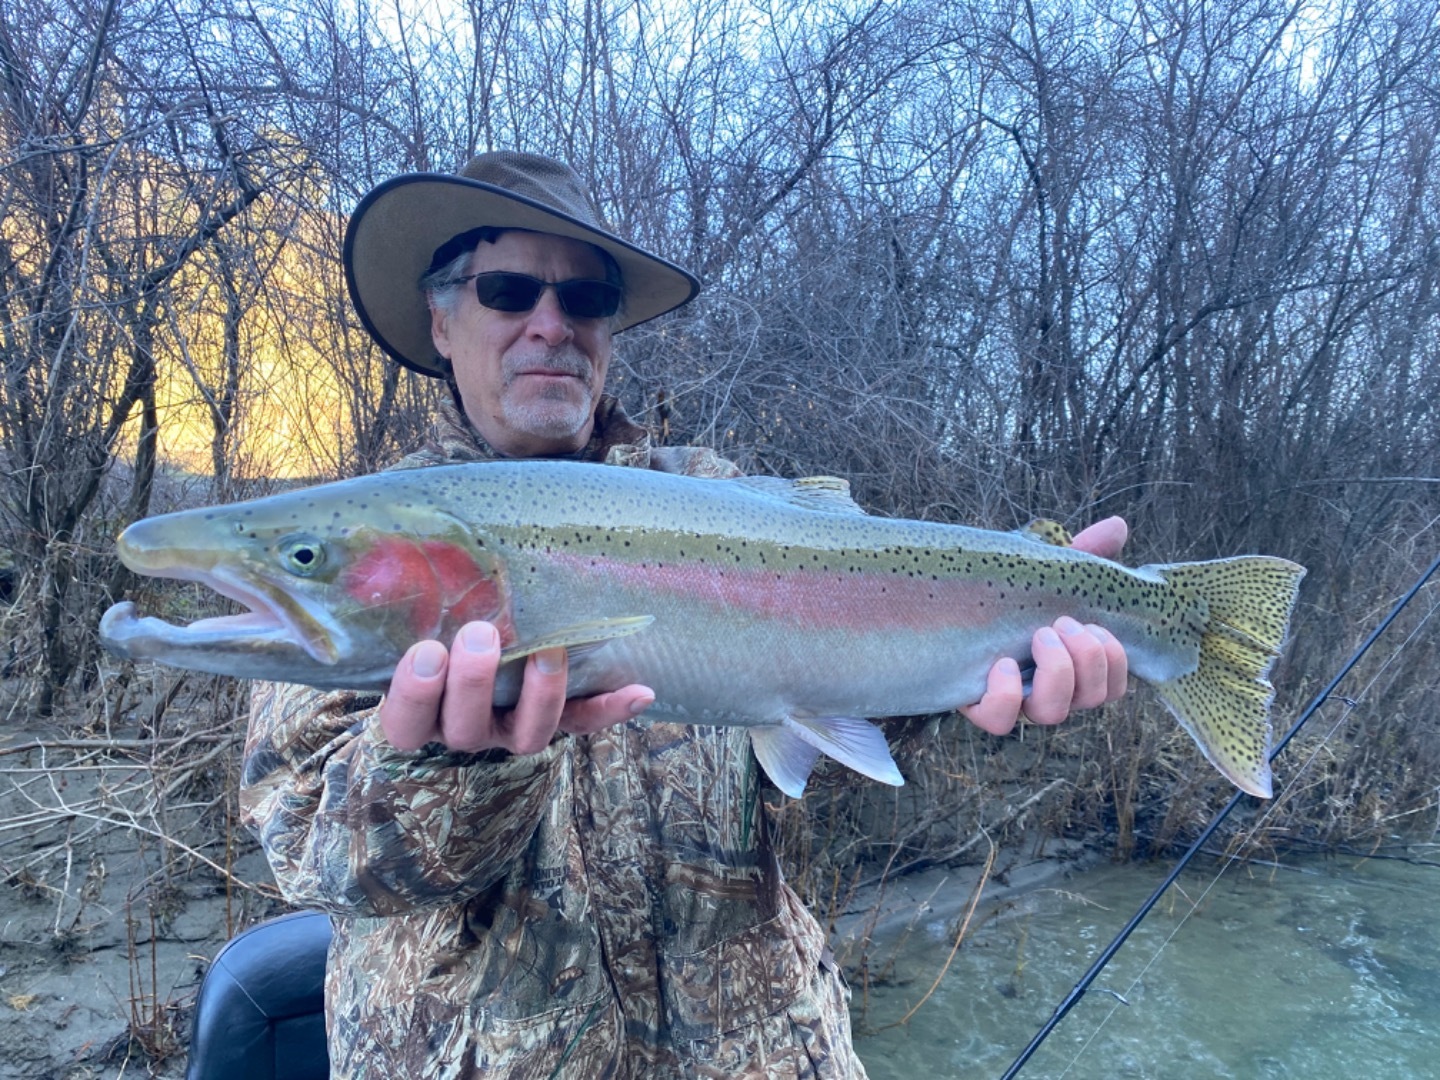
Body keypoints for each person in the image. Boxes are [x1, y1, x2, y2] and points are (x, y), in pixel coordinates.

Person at [240, 151, 1128, 1079]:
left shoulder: (719, 499)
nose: (551, 324)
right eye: (508, 289)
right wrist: (453, 761)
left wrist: (990, 671)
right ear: (441, 316)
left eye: (584, 300)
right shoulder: (352, 545)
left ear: (610, 331)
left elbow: (830, 752)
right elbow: (314, 852)